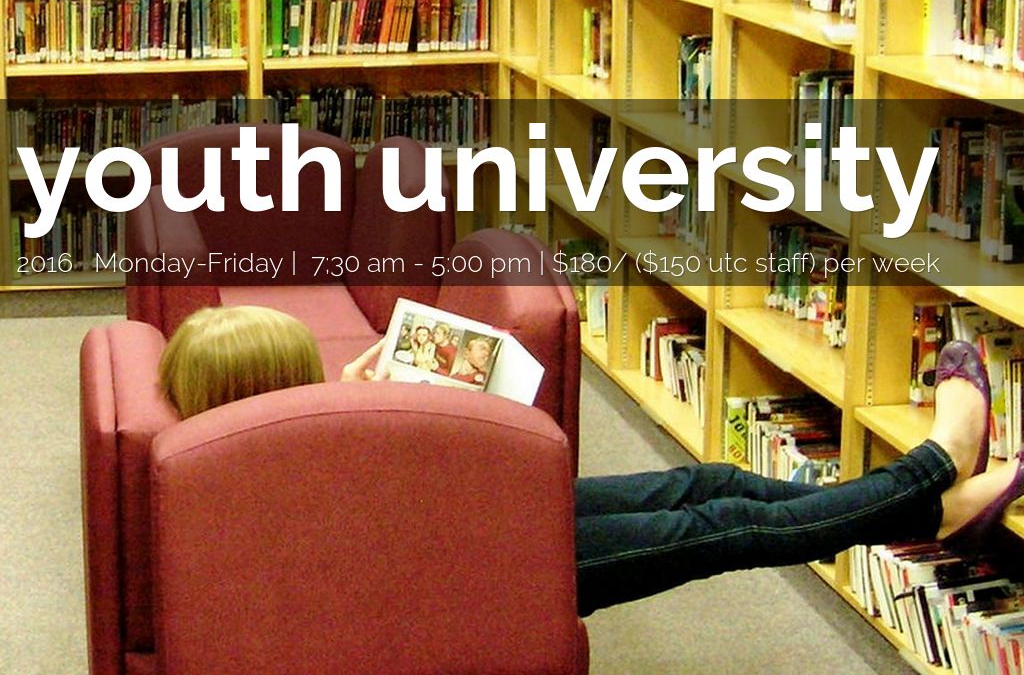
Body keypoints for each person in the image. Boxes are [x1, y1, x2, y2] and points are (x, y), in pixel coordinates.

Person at [158, 305, 1024, 618]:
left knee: (710, 481)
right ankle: (932, 469)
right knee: (727, 525)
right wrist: (399, 427)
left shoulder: (256, 465)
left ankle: (932, 514)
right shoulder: (286, 498)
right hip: (497, 576)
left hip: (482, 529)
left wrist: (362, 413)